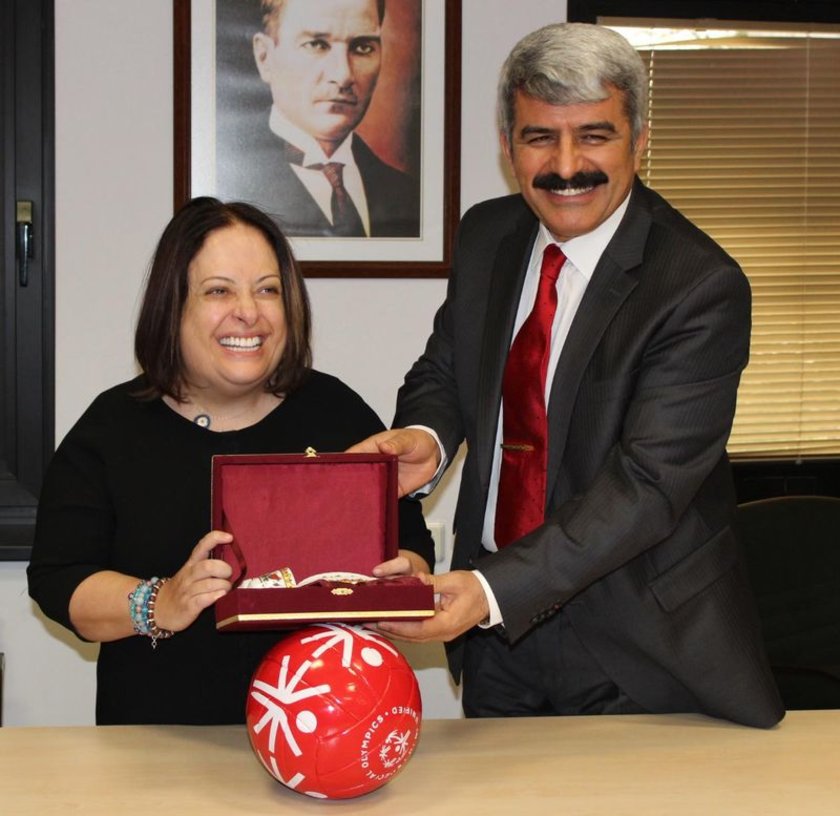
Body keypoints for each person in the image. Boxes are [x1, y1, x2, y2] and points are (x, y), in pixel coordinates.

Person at [351, 23, 784, 727]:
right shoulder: (488, 235)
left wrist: (490, 589)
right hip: (496, 639)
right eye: (539, 137)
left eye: (594, 136)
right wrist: (427, 436)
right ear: (507, 145)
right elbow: (448, 366)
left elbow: (647, 487)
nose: (565, 165)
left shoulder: (697, 286)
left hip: (632, 640)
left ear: (639, 142)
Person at [27, 197, 434, 725]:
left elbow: (412, 547)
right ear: (173, 306)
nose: (249, 311)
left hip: (324, 739)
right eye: (219, 290)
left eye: (268, 290)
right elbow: (59, 580)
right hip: (156, 742)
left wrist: (403, 578)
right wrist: (161, 601)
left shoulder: (336, 412)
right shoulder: (113, 427)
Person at [216, 0, 420, 238]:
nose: (343, 75)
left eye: (363, 47)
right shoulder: (227, 191)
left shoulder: (408, 196)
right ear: (265, 57)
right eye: (316, 45)